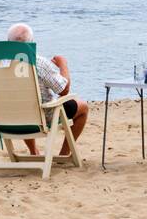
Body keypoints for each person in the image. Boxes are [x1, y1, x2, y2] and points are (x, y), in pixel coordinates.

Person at [6, 23, 87, 158]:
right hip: (43, 117)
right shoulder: (39, 63)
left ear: (7, 43)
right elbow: (63, 90)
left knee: (22, 104)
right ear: (31, 42)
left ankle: (34, 152)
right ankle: (64, 154)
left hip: (8, 117)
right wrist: (63, 65)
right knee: (82, 107)